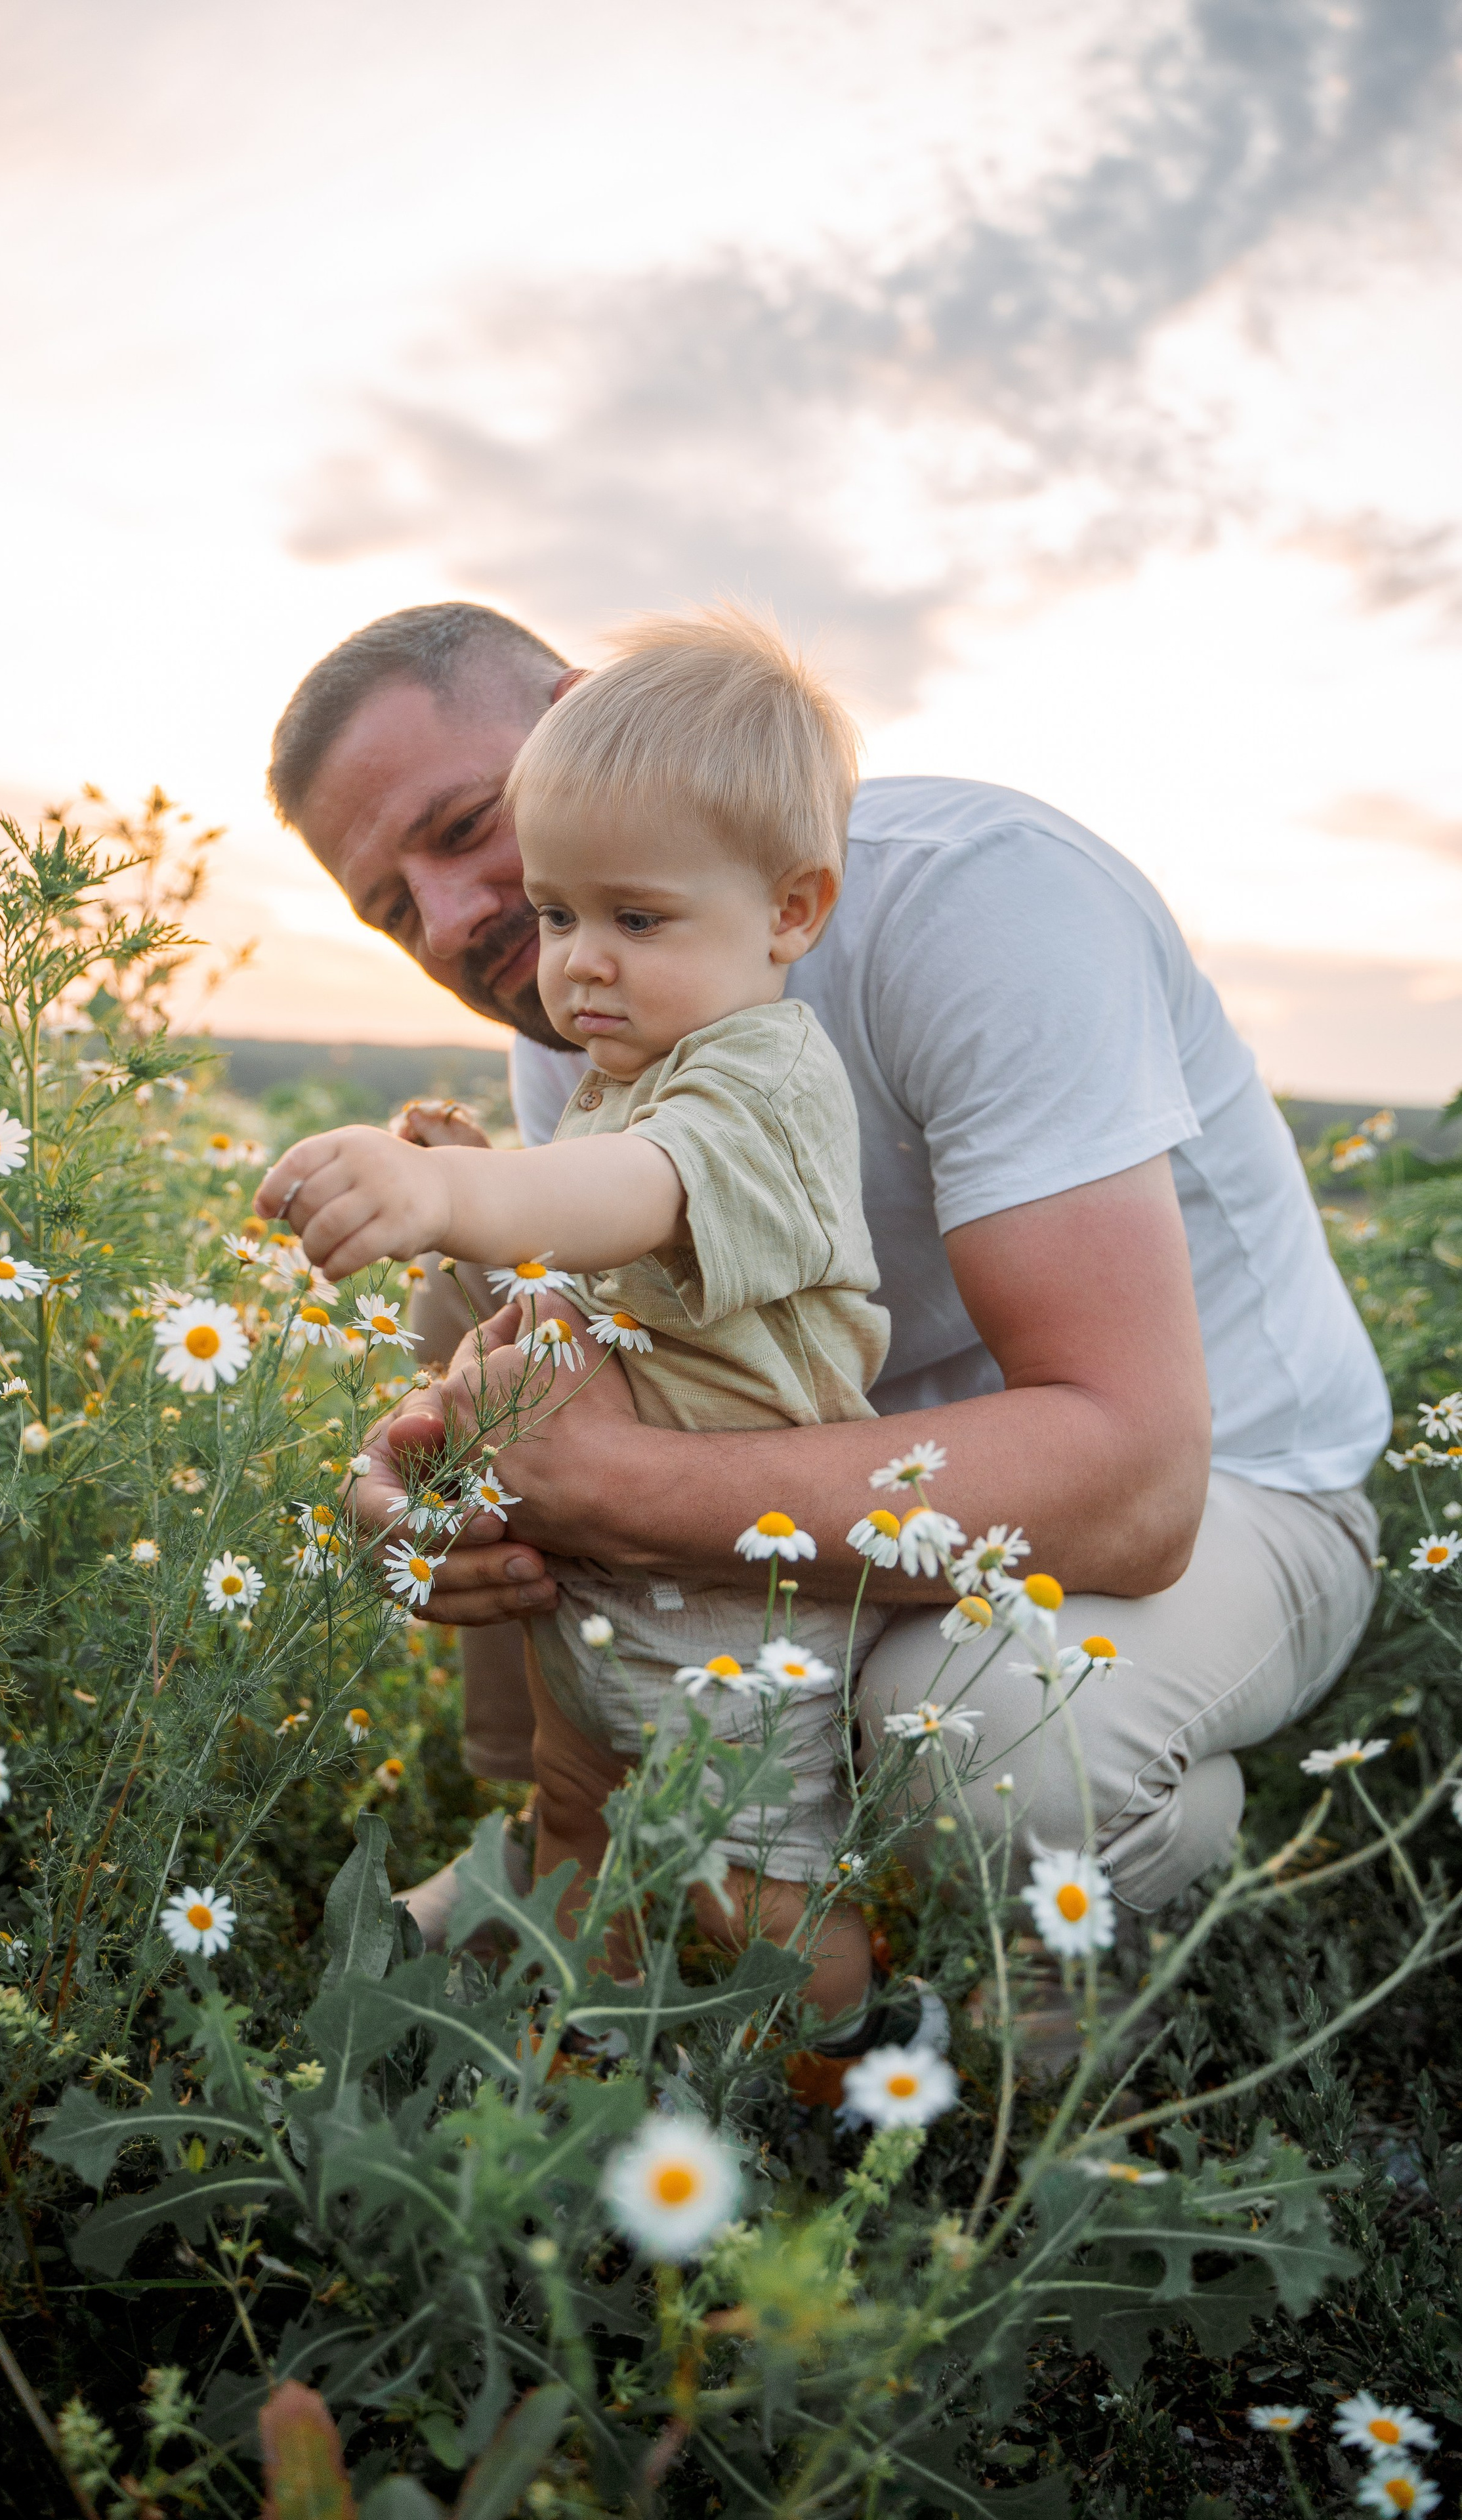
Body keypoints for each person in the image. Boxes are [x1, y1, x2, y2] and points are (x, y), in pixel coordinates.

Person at [261, 599, 1390, 1935]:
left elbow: (1135, 1491)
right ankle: (576, 1823)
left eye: (462, 829)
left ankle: (1071, 1953)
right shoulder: (585, 987)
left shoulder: (978, 903)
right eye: (396, 911)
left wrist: (619, 1488)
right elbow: (632, 1325)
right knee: (488, 1292)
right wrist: (443, 1456)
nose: (454, 924)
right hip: (858, 1455)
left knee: (979, 1732)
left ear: (581, 715)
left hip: (1220, 1495)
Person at [259, 607, 907, 2017]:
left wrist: (446, 1204)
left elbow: (634, 1196)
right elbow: (581, 1281)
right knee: (575, 1818)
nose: (576, 961)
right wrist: (473, 1205)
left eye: (634, 917)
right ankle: (578, 2052)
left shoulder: (758, 1081)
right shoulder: (624, 1064)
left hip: (738, 1589)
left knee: (756, 1882)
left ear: (789, 912)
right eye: (558, 914)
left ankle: (834, 2088)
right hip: (611, 1579)